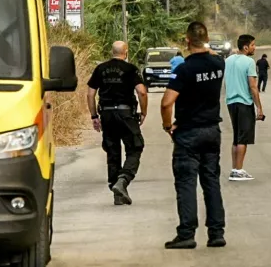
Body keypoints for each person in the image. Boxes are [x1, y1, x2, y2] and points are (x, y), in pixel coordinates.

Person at [161, 22, 227, 250]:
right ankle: (216, 233)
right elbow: (213, 53)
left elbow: (167, 102)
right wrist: (206, 48)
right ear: (207, 39)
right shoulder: (219, 63)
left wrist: (167, 125)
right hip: (212, 131)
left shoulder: (184, 69)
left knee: (187, 182)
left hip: (188, 132)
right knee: (211, 181)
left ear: (187, 40)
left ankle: (187, 233)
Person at [87, 41, 148, 205]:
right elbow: (142, 92)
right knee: (135, 147)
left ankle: (117, 192)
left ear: (111, 52)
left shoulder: (100, 69)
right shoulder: (130, 69)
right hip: (125, 114)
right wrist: (144, 112)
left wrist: (94, 116)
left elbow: (90, 94)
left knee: (112, 151)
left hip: (106, 114)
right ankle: (123, 180)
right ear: (126, 52)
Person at [224, 34, 264, 181]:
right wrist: (259, 107)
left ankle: (235, 168)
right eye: (253, 45)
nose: (255, 47)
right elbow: (253, 87)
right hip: (244, 102)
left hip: (230, 102)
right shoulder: (249, 62)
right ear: (246, 47)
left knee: (236, 137)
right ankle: (238, 170)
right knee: (243, 138)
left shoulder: (228, 60)